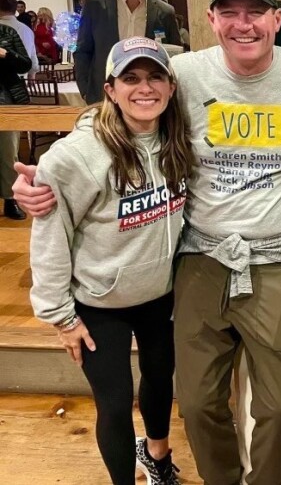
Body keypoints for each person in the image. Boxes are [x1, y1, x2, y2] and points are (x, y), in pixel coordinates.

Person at [15, 0, 281, 485]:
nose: (243, 25)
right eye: (229, 13)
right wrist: (52, 169)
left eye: (255, 12)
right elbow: (122, 107)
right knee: (195, 403)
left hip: (279, 258)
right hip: (201, 256)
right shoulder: (184, 73)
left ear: (277, 19)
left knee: (279, 407)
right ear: (212, 19)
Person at [29, 37, 190, 485]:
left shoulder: (179, 138)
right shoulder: (77, 156)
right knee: (115, 404)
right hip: (99, 302)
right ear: (110, 88)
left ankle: (157, 459)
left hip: (161, 295)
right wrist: (60, 317)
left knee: (160, 384)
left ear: (171, 86)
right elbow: (51, 237)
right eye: (131, 78)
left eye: (155, 76)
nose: (145, 87)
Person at [75, 0, 181, 104]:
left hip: (147, 98)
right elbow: (83, 51)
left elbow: (174, 58)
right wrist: (85, 91)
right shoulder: (95, 4)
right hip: (104, 98)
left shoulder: (165, 11)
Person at [0, 22, 32, 221]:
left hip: (6, 99)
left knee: (7, 152)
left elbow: (25, 64)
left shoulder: (7, 32)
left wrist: (7, 54)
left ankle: (10, 199)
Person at [0, 0, 39, 76]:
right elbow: (32, 55)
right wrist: (32, 73)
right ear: (15, 9)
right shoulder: (27, 30)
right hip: (21, 77)